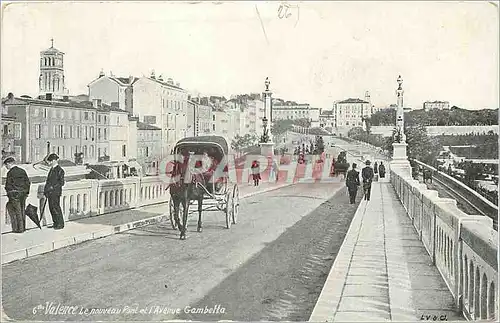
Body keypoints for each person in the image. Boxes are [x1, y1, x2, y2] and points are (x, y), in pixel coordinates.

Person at [3, 157, 30, 233]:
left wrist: (9, 193)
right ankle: (23, 228)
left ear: (9, 164)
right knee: (22, 211)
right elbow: (27, 183)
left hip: (14, 194)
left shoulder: (10, 173)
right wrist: (26, 192)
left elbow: (8, 185)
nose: (6, 167)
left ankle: (18, 229)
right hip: (23, 194)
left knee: (16, 212)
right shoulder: (22, 171)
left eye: (6, 165)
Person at [44, 153, 65, 229]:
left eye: (50, 161)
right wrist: (46, 190)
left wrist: (52, 187)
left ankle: (60, 224)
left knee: (56, 208)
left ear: (54, 161)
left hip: (55, 192)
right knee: (51, 208)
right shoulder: (52, 169)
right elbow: (48, 181)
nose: (49, 163)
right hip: (50, 192)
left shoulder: (60, 170)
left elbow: (61, 183)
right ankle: (55, 223)